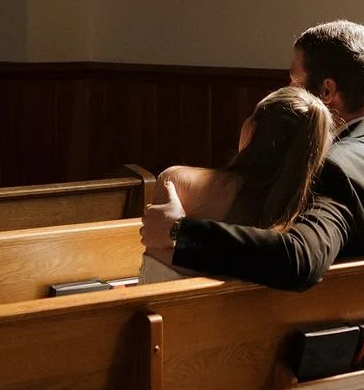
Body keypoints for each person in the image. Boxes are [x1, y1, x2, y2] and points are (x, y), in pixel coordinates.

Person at [142, 20, 364, 290]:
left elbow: (298, 259)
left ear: (326, 92)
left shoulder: (331, 168)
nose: (288, 88)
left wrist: (180, 230)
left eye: (294, 79)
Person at [142, 85, 332, 282]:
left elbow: (156, 278)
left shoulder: (177, 182)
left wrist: (179, 232)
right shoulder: (310, 210)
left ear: (251, 130)